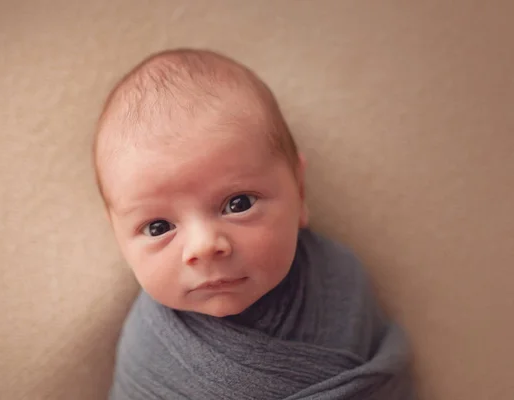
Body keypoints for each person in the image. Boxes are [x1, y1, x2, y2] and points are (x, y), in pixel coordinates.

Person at [93, 48, 416, 400]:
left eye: (238, 204)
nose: (204, 246)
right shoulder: (148, 355)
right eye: (158, 227)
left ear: (300, 192)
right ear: (119, 239)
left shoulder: (339, 280)